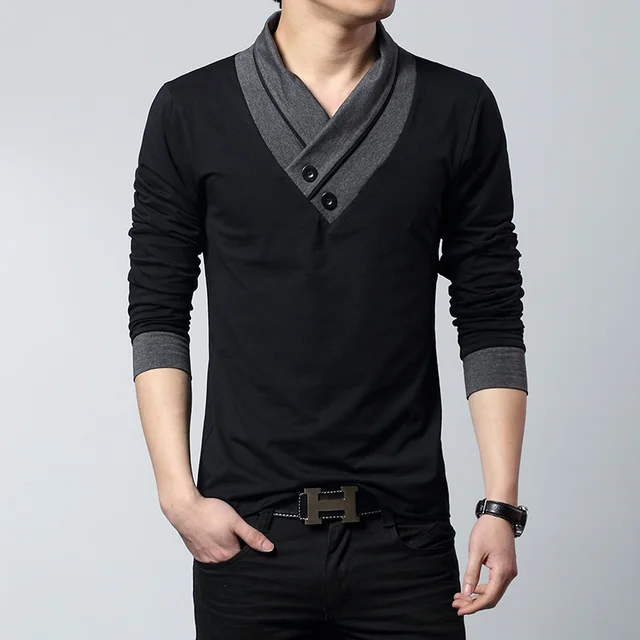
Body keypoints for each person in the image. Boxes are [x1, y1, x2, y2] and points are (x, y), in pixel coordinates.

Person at [127, 0, 529, 637]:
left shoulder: (458, 106)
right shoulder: (190, 108)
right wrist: (178, 497)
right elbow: (158, 312)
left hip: (407, 539)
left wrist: (500, 506)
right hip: (248, 540)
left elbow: (491, 311)